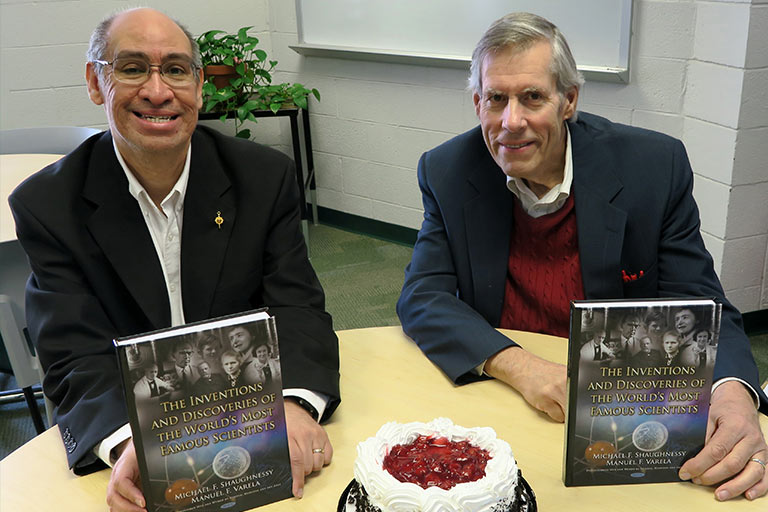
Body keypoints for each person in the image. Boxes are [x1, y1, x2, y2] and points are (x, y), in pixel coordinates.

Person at [396, 12, 767, 501]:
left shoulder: (652, 167)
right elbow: (422, 296)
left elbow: (700, 304)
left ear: (568, 100)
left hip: (623, 403)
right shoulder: (446, 170)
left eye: (532, 97)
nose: (511, 122)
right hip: (508, 397)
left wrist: (735, 394)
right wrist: (518, 365)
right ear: (476, 102)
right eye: (496, 99)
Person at [8, 7, 339, 508]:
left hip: (251, 421)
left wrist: (293, 403)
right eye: (133, 68)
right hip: (138, 428)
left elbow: (295, 306)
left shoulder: (263, 179)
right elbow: (72, 352)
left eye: (177, 70)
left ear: (199, 87)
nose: (158, 92)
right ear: (96, 83)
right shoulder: (49, 206)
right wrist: (126, 442)